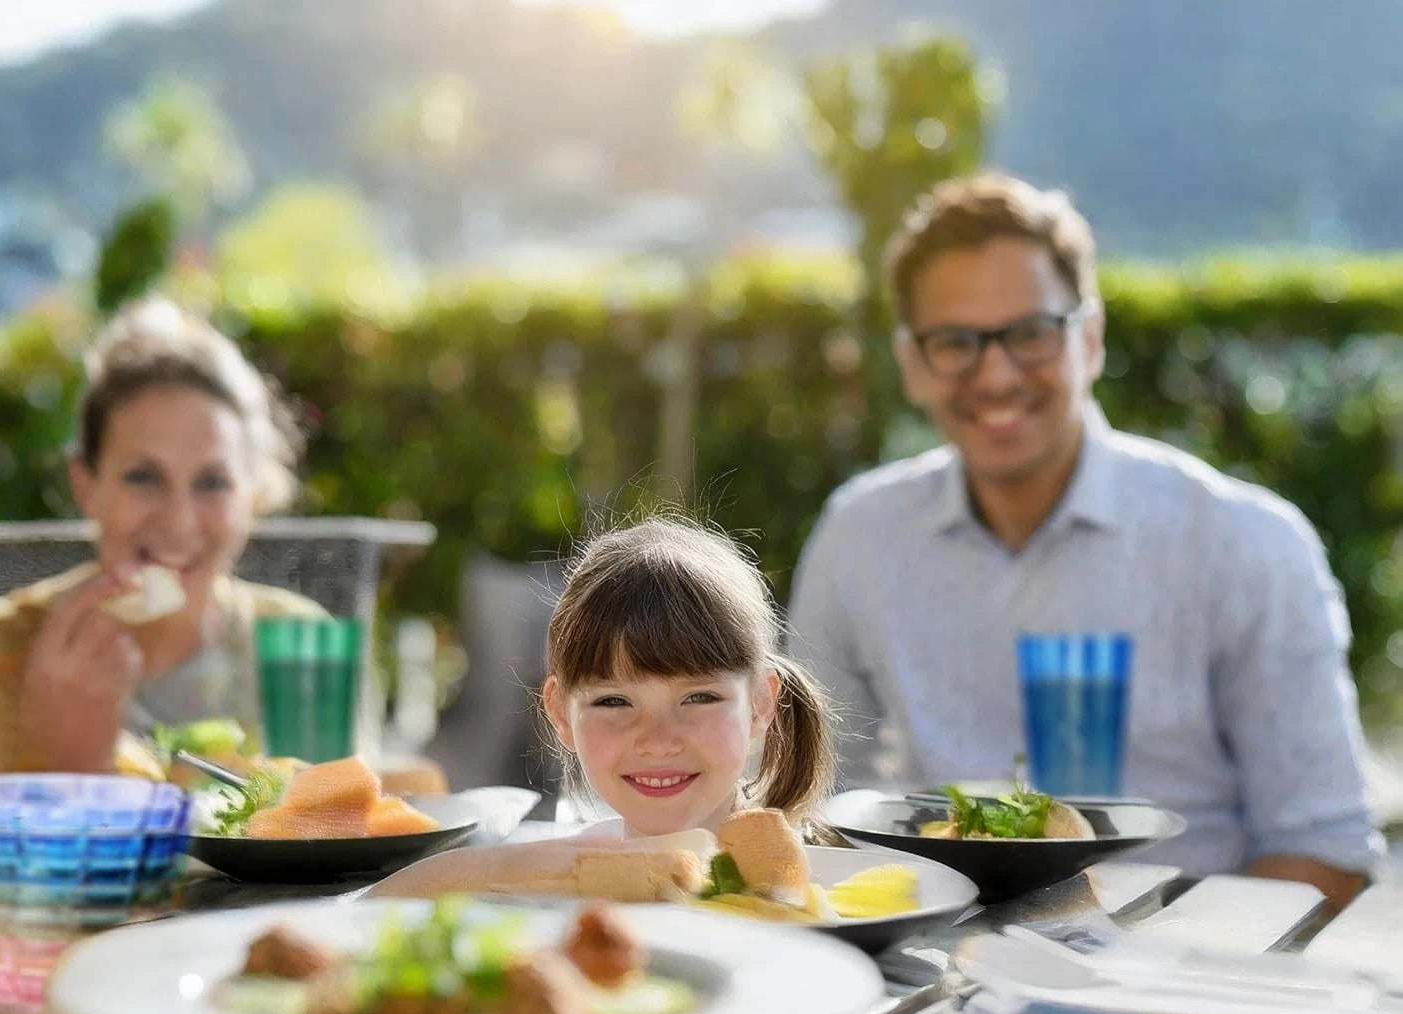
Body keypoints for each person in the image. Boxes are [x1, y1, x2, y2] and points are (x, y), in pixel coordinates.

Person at [788, 171, 1380, 907]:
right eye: (955, 342)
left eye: (1031, 333)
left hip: (1180, 962)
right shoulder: (858, 536)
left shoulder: (1245, 543)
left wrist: (1157, 960)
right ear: (913, 364)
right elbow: (808, 805)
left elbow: (1326, 851)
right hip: (926, 956)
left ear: (1090, 339)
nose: (996, 375)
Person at [0, 297, 326, 776]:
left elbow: (343, 814)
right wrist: (68, 757)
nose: (178, 522)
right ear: (86, 485)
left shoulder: (301, 639)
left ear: (252, 494)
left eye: (213, 482)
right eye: (143, 478)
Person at [371, 516, 837, 896]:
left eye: (698, 697)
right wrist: (522, 867)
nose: (657, 740)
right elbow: (375, 908)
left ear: (760, 703)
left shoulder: (827, 881)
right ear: (560, 714)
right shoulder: (557, 868)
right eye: (614, 701)